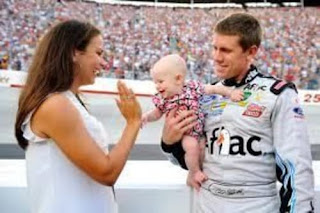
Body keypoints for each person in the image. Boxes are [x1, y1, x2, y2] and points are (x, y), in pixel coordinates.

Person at [160, 13, 315, 212]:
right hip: (207, 205)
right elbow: (189, 161)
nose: (216, 57)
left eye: (225, 50)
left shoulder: (278, 95)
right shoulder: (205, 95)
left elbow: (297, 170)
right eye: (215, 48)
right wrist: (169, 143)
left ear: (251, 52)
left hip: (257, 206)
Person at [14, 20, 142, 213]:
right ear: (75, 53)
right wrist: (133, 123)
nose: (104, 63)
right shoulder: (56, 105)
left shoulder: (64, 100)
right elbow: (107, 172)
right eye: (98, 53)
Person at [142, 54, 243, 191]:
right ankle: (194, 172)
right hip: (186, 133)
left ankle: (194, 172)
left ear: (178, 79)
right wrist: (146, 117)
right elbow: (156, 113)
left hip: (200, 129)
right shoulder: (163, 99)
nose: (157, 86)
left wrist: (230, 93)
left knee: (202, 149)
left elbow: (213, 89)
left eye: (160, 81)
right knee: (191, 148)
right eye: (155, 82)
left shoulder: (193, 88)